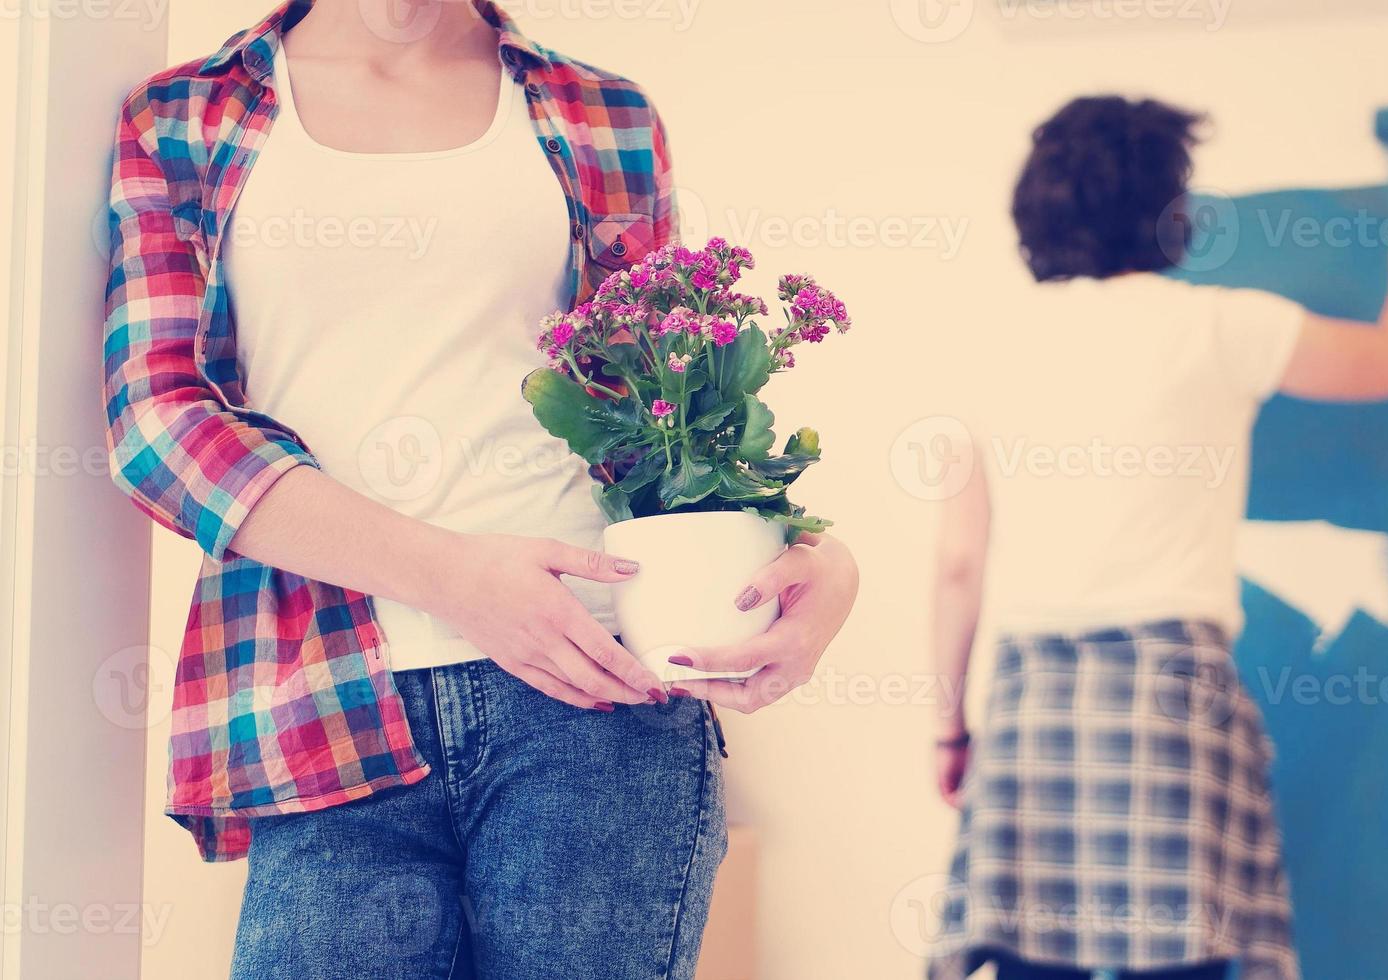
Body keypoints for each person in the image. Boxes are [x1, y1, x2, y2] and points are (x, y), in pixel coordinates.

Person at [101, 1, 857, 976]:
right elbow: (158, 424)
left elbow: (665, 419)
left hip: (595, 691)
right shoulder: (183, 117)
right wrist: (452, 575)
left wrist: (809, 553)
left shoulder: (605, 115)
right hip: (320, 694)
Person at [926, 96, 1388, 979]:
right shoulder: (1221, 324)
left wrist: (952, 730)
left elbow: (956, 566)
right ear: (1169, 210)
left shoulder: (989, 346)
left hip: (1034, 697)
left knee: (1032, 954)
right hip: (1171, 692)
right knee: (1178, 959)